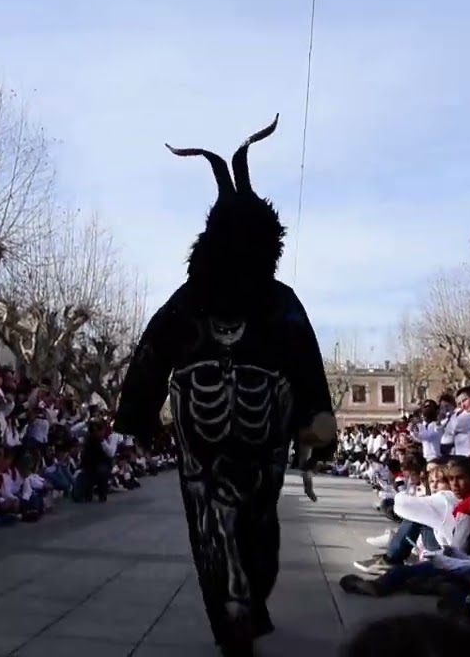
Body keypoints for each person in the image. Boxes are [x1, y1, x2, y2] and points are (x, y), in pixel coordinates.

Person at [113, 117, 335, 657]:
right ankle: (230, 619)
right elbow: (152, 354)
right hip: (202, 447)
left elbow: (305, 361)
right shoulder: (192, 300)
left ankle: (247, 605)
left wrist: (316, 416)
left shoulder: (278, 302)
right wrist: (137, 414)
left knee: (256, 524)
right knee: (210, 525)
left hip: (265, 436)